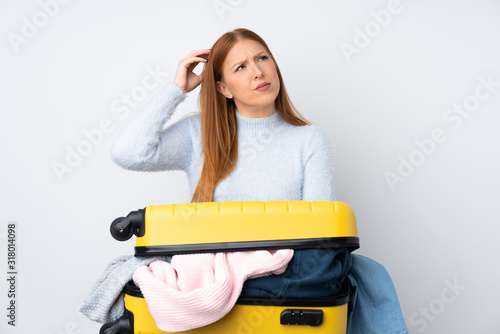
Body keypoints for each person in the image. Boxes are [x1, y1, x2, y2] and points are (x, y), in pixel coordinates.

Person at [110, 28, 408, 334]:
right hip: (213, 275)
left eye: (262, 58)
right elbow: (128, 153)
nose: (258, 71)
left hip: (287, 274)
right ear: (224, 89)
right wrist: (176, 90)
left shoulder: (309, 139)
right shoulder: (197, 134)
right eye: (241, 67)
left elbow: (319, 228)